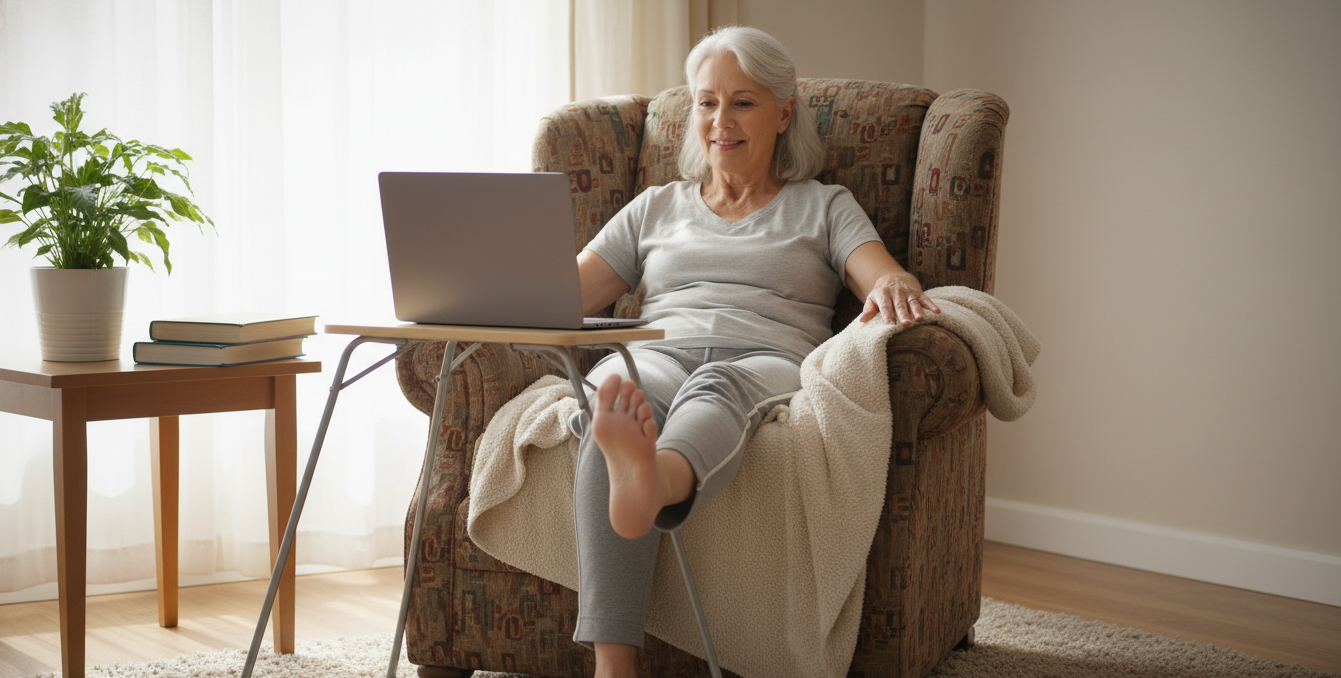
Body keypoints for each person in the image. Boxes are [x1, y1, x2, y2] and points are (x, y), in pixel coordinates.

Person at [569, 26, 939, 678]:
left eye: (742, 102)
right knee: (619, 394)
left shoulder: (823, 206)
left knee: (717, 390)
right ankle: (614, 664)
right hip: (661, 347)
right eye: (707, 103)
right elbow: (560, 294)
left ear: (783, 112)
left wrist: (893, 284)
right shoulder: (654, 208)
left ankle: (653, 480)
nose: (721, 121)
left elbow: (878, 273)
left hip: (763, 354)